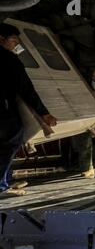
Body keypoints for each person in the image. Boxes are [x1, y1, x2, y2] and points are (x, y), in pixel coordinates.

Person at [0, 23, 57, 196]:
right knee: (12, 140)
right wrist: (43, 112)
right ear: (1, 39)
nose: (15, 44)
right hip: (3, 110)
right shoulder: (8, 59)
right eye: (13, 40)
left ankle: (5, 181)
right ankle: (1, 186)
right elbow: (26, 89)